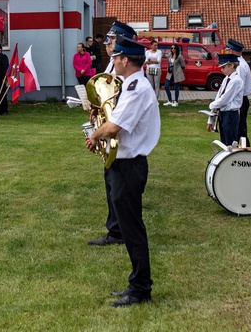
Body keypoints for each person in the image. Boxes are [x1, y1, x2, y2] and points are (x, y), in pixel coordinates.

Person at [86, 35, 160, 307]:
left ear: (125, 60)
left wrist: (95, 136)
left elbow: (115, 126)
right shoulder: (131, 85)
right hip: (124, 164)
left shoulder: (136, 88)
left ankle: (141, 289)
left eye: (115, 57)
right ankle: (137, 284)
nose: (113, 61)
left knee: (132, 229)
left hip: (130, 166)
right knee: (130, 228)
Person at [88, 20, 137, 248]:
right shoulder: (113, 64)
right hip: (111, 128)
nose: (107, 43)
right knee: (111, 183)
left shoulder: (129, 70)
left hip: (121, 133)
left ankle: (119, 232)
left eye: (112, 39)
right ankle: (115, 229)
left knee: (119, 187)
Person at [208, 53, 243, 146]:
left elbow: (224, 100)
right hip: (223, 114)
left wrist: (211, 105)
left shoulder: (236, 81)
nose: (221, 69)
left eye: (223, 67)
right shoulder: (226, 79)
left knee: (230, 143)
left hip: (231, 115)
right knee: (224, 143)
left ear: (231, 65)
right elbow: (219, 96)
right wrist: (210, 119)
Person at [225, 39, 251, 146]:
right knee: (237, 129)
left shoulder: (239, 66)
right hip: (240, 99)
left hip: (240, 100)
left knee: (239, 130)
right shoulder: (238, 63)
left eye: (228, 49)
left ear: (232, 50)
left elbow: (237, 86)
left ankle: (244, 151)